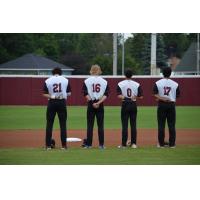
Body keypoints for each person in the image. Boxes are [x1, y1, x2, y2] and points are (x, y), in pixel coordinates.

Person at [43, 67, 71, 150]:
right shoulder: (65, 80)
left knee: (49, 124)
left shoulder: (48, 80)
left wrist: (53, 96)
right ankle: (64, 146)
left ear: (53, 72)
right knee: (63, 124)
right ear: (60, 72)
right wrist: (62, 94)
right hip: (61, 102)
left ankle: (48, 146)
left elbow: (44, 93)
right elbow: (69, 93)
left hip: (52, 102)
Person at [82, 64, 109, 149]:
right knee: (100, 125)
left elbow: (85, 93)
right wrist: (98, 103)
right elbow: (106, 95)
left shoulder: (87, 81)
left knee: (90, 125)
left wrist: (92, 102)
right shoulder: (104, 81)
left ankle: (89, 145)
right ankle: (101, 145)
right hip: (100, 104)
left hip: (91, 103)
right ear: (99, 71)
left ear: (91, 70)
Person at [153, 67, 180, 148]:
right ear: (170, 73)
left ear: (163, 73)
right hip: (171, 105)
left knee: (161, 125)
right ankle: (172, 144)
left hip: (161, 105)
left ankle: (161, 144)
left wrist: (161, 98)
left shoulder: (158, 83)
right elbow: (177, 95)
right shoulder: (175, 84)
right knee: (171, 125)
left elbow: (155, 93)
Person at [117, 69, 143, 148]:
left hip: (125, 104)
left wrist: (125, 97)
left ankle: (124, 144)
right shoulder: (137, 84)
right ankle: (134, 144)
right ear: (132, 75)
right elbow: (141, 96)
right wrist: (134, 96)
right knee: (133, 125)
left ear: (125, 75)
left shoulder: (120, 84)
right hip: (133, 104)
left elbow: (119, 96)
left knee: (125, 125)